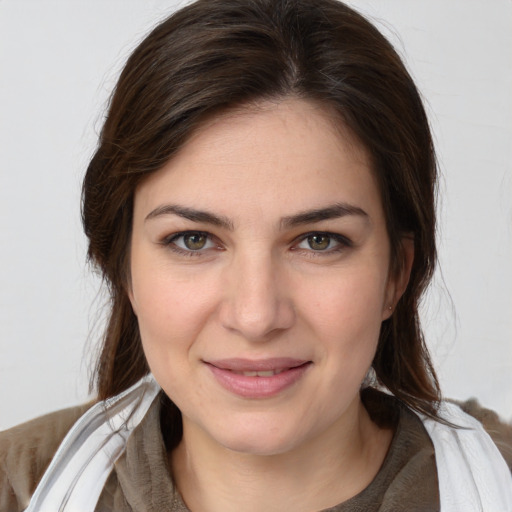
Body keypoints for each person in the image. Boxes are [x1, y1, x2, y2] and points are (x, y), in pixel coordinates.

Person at [1, 0, 511, 510]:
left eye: (319, 240)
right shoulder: (14, 486)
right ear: (124, 269)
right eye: (193, 240)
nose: (255, 316)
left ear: (395, 275)